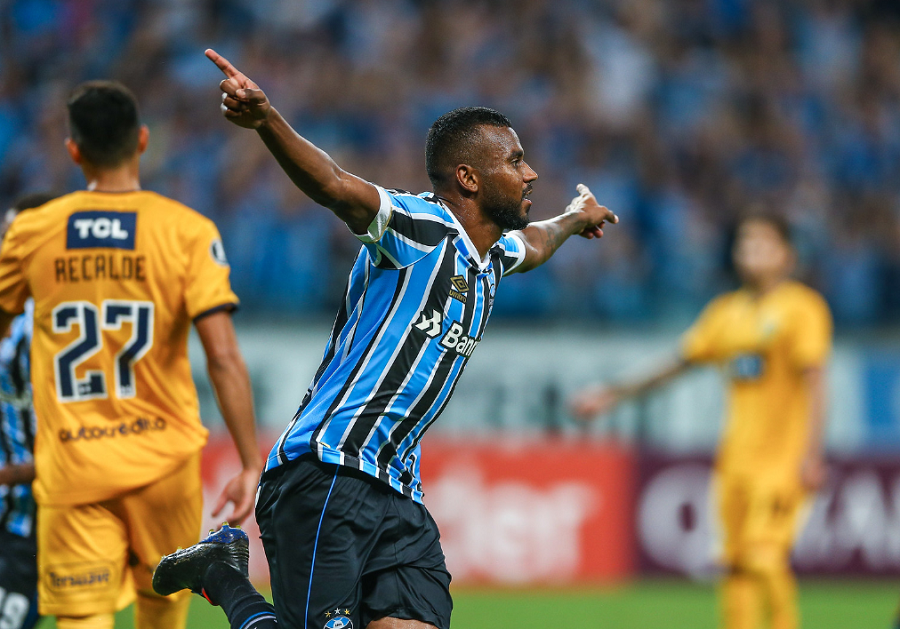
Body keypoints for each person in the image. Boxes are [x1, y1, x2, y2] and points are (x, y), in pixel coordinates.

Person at [152, 49, 618, 629]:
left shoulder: (492, 255)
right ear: (469, 178)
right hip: (328, 470)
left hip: (399, 491)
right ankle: (221, 572)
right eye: (516, 160)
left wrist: (575, 217)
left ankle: (220, 567)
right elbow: (334, 185)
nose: (531, 174)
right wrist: (267, 120)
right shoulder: (422, 228)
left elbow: (537, 244)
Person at [0, 81, 264, 629]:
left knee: (83, 619)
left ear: (74, 151)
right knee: (162, 612)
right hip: (163, 467)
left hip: (73, 465)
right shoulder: (186, 231)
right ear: (142, 141)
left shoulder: (32, 231)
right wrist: (248, 460)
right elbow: (222, 356)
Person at [571, 214, 832, 629]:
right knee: (734, 565)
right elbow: (676, 364)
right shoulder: (725, 313)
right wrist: (611, 393)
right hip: (735, 461)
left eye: (763, 242)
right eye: (745, 242)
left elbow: (816, 383)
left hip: (782, 460)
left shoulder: (803, 308)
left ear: (787, 255)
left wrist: (813, 455)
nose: (751, 250)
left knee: (763, 556)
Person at [0, 192, 58, 629]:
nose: (6, 247)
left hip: (31, 520)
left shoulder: (47, 324)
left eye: (14, 236)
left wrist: (13, 473)